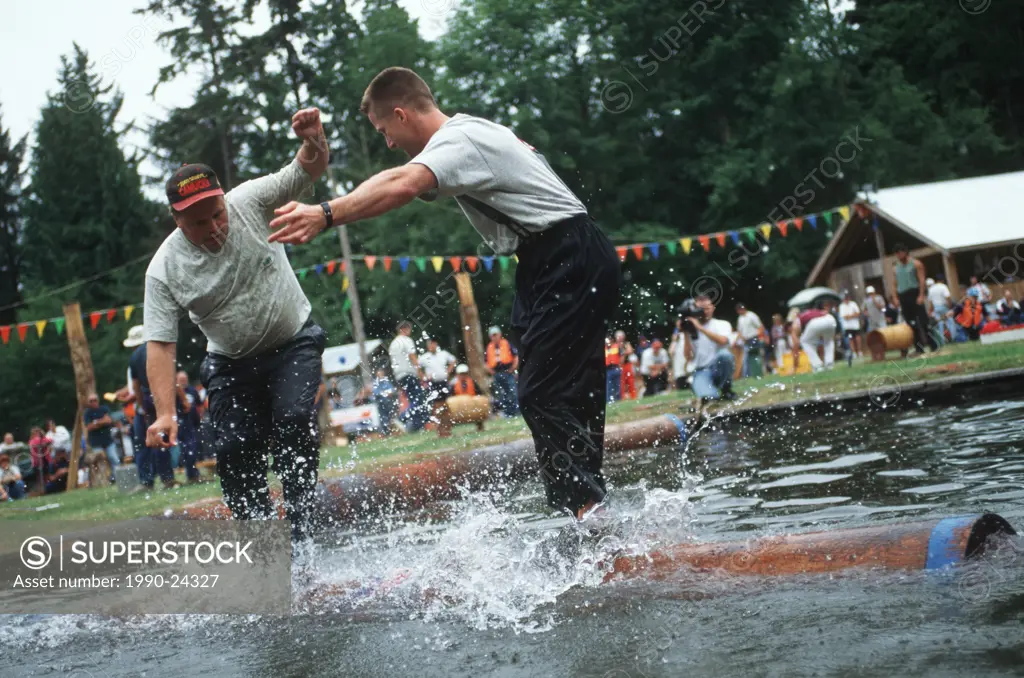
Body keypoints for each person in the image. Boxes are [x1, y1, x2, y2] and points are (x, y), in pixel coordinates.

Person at [267, 67, 621, 521]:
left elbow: (402, 183)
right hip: (549, 260)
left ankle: (590, 513)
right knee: (566, 388)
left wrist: (326, 214)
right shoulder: (472, 133)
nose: (389, 144)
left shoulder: (460, 138)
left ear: (401, 114)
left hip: (566, 255)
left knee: (542, 393)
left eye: (384, 132)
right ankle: (591, 507)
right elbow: (398, 180)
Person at [141, 107, 330, 541]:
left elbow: (309, 165)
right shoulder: (164, 269)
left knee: (294, 419)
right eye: (197, 223)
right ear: (176, 220)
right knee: (232, 451)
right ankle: (263, 548)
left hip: (293, 344)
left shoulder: (251, 200)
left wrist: (315, 139)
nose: (213, 228)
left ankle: (303, 535)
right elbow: (161, 344)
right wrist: (166, 412)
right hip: (230, 365)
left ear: (225, 199)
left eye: (216, 214)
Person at [121, 332, 177, 490]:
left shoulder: (134, 358)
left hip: (146, 402)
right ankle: (167, 478)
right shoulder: (158, 351)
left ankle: (147, 481)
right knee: (160, 439)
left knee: (143, 444)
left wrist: (142, 407)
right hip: (158, 399)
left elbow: (137, 387)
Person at [684, 295, 736, 402]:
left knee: (725, 355)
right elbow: (688, 356)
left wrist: (700, 328)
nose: (704, 311)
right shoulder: (691, 329)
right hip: (701, 370)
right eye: (701, 309)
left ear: (713, 308)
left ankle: (726, 389)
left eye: (707, 308)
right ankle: (702, 388)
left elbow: (723, 341)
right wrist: (685, 332)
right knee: (709, 397)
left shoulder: (722, 324)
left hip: (718, 367)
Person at [890, 243, 936, 354]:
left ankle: (933, 345)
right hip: (903, 295)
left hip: (914, 293)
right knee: (911, 323)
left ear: (905, 252)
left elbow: (921, 280)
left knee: (923, 321)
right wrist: (895, 298)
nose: (899, 255)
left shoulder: (916, 264)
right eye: (897, 253)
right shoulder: (896, 268)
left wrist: (921, 295)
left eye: (901, 252)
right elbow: (895, 284)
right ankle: (918, 348)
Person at [389, 320, 428, 432]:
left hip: (399, 375)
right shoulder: (407, 340)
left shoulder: (393, 344)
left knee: (413, 400)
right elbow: (412, 356)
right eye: (409, 329)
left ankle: (416, 427)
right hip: (409, 373)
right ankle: (402, 418)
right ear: (404, 329)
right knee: (419, 399)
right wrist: (420, 372)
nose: (410, 332)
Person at [83, 393, 120, 483]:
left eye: (95, 400)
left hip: (108, 440)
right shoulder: (87, 413)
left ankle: (117, 478)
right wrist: (102, 421)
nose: (93, 402)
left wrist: (95, 422)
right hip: (96, 442)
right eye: (91, 401)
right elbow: (89, 427)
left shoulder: (104, 409)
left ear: (98, 400)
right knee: (100, 462)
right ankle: (104, 480)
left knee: (114, 458)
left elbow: (109, 420)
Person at [792, 300, 838, 372]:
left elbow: (795, 335)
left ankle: (817, 366)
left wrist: (795, 363)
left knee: (804, 342)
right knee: (829, 341)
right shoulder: (816, 311)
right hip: (830, 319)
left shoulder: (800, 316)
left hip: (815, 322)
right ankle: (829, 364)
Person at [175, 370, 203, 484]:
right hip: (180, 424)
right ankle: (191, 474)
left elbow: (199, 404)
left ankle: (194, 474)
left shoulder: (192, 390)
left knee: (193, 448)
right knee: (187, 449)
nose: (183, 382)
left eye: (184, 379)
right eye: (181, 380)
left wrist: (199, 416)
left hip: (193, 423)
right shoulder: (174, 391)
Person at [485, 326, 520, 417]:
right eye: (493, 335)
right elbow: (486, 362)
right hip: (497, 373)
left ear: (500, 334)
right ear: (490, 336)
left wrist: (513, 368)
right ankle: (507, 413)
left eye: (496, 335)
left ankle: (516, 412)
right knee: (501, 394)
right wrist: (491, 371)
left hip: (508, 372)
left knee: (512, 392)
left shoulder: (507, 343)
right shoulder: (489, 347)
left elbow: (516, 356)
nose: (494, 337)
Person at [734, 303, 765, 377]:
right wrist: (737, 340)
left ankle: (760, 373)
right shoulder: (740, 318)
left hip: (754, 338)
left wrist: (758, 337)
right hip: (746, 341)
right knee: (747, 358)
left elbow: (760, 327)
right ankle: (749, 375)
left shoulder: (751, 315)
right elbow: (739, 331)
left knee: (756, 357)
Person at [926, 276, 956, 345]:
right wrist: (950, 306)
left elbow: (930, 303)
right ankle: (953, 339)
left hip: (936, 308)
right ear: (942, 280)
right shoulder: (943, 286)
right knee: (950, 322)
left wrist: (930, 311)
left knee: (940, 324)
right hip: (944, 307)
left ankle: (942, 342)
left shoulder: (931, 289)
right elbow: (947, 297)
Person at [371, 368, 399, 436]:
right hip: (380, 403)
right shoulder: (375, 383)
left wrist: (386, 393)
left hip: (388, 403)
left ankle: (393, 431)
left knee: (391, 417)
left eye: (381, 374)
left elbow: (392, 390)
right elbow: (376, 393)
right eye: (379, 374)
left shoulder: (387, 382)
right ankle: (386, 432)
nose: (380, 376)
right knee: (383, 418)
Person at [838, 291, 862, 359]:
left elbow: (857, 313)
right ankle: (854, 352)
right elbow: (845, 317)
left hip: (855, 325)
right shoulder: (841, 306)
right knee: (851, 339)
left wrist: (850, 316)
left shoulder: (853, 304)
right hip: (848, 327)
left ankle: (859, 351)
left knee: (858, 338)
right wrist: (853, 315)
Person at [669, 319, 691, 390]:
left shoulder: (689, 334)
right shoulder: (676, 338)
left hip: (689, 366)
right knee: (682, 387)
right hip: (679, 370)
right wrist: (674, 340)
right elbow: (671, 352)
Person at [616, 330, 638, 400]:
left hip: (627, 364)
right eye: (619, 337)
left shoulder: (626, 343)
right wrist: (625, 353)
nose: (620, 338)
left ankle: (633, 396)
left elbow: (630, 351)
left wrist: (624, 354)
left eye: (621, 337)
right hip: (620, 365)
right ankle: (622, 398)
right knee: (622, 383)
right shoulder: (615, 345)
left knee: (630, 380)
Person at [604, 335, 622, 403]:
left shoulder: (616, 346)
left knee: (617, 386)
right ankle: (609, 401)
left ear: (611, 340)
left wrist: (620, 367)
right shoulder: (604, 349)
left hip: (616, 368)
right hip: (608, 370)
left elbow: (621, 356)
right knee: (609, 387)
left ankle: (618, 400)